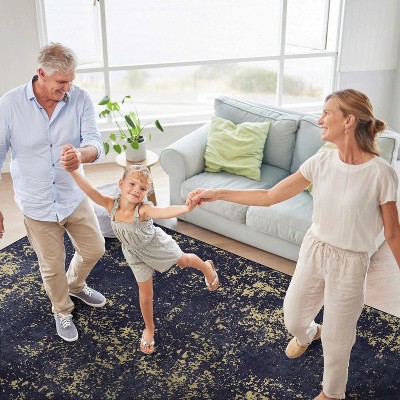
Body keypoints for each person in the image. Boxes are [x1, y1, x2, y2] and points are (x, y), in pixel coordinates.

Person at [187, 89, 400, 399]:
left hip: (351, 263)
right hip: (315, 250)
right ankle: (310, 332)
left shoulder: (382, 173)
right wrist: (215, 193)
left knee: (338, 339)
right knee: (294, 318)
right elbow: (269, 196)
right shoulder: (322, 160)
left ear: (349, 120)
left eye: (327, 113)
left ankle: (332, 393)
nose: (320, 120)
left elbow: (393, 233)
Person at [0, 43, 107, 342]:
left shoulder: (80, 98)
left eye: (71, 81)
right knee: (51, 266)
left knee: (95, 249)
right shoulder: (9, 104)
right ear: (41, 74)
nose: (67, 88)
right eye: (61, 82)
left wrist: (82, 155)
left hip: (73, 195)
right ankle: (62, 309)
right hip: (36, 202)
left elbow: (96, 142)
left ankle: (76, 285)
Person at [67, 163, 220, 354]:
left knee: (184, 261)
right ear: (121, 184)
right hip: (134, 254)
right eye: (132, 184)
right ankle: (149, 328)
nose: (136, 190)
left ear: (146, 193)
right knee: (146, 296)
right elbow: (89, 190)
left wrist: (186, 208)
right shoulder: (110, 204)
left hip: (157, 246)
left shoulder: (143, 210)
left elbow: (164, 211)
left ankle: (207, 268)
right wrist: (73, 170)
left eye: (142, 188)